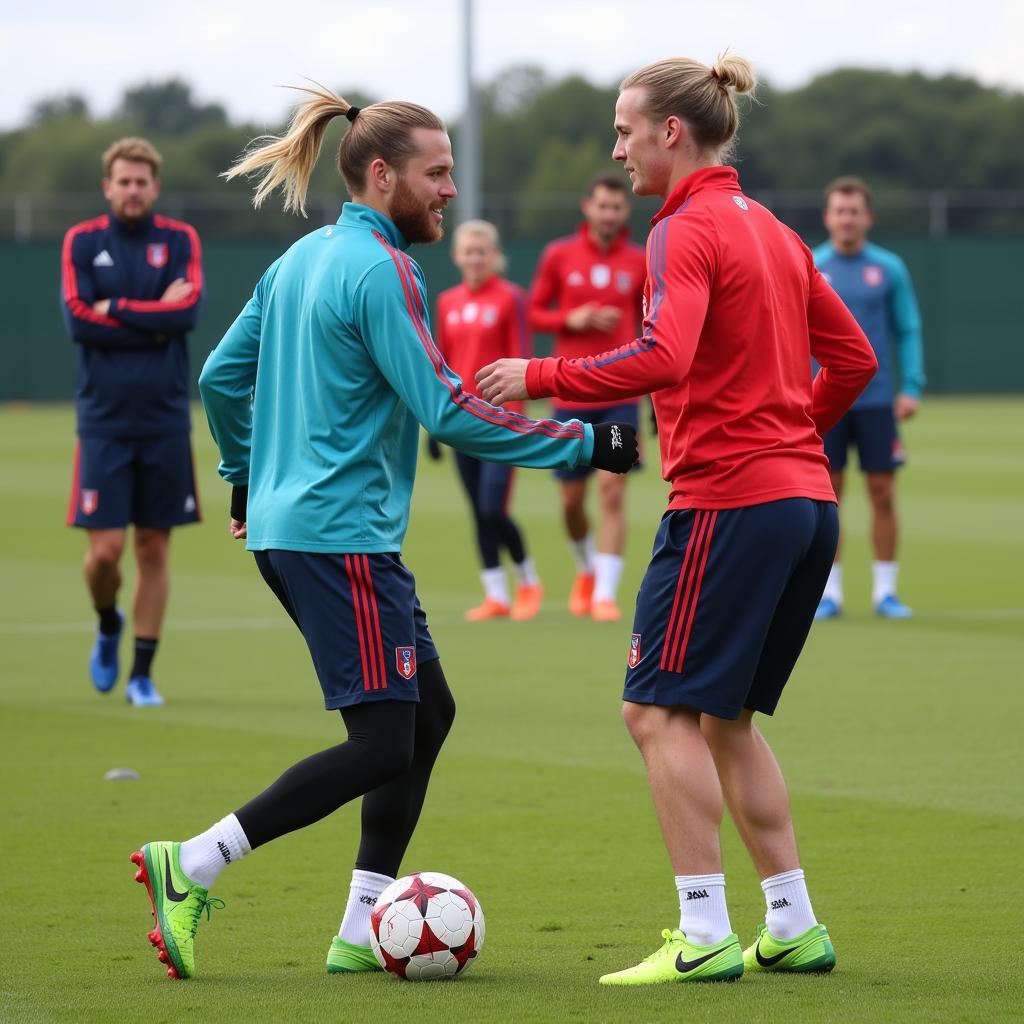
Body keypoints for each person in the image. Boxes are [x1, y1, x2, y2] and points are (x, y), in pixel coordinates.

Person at [129, 86, 637, 982]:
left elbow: (217, 378)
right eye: (436, 173)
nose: (449, 191)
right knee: (380, 742)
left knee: (427, 714)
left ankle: (363, 922)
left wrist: (245, 474)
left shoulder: (299, 261)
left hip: (308, 533)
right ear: (380, 174)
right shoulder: (383, 270)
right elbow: (444, 406)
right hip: (339, 539)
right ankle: (195, 863)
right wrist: (586, 439)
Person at [478, 54, 877, 985]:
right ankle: (793, 924)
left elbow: (665, 355)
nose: (615, 148)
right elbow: (852, 360)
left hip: (730, 503)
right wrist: (789, 442)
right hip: (804, 505)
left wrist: (539, 377)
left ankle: (702, 936)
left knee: (654, 712)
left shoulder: (681, 229)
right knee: (727, 718)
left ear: (671, 132)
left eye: (624, 129)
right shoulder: (774, 229)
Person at [60, 137, 204, 708]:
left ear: (155, 186)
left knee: (152, 550)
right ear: (108, 186)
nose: (133, 190)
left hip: (165, 419)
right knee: (104, 556)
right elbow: (77, 322)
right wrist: (153, 319)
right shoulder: (81, 241)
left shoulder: (179, 239)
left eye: (142, 181)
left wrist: (113, 309)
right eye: (124, 181)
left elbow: (188, 311)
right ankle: (106, 620)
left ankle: (142, 673)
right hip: (102, 421)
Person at [528, 173, 647, 621]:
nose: (610, 214)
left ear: (624, 212)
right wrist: (572, 319)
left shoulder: (639, 260)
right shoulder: (559, 255)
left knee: (613, 493)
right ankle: (586, 570)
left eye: (617, 207)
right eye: (603, 206)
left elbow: (652, 326)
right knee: (571, 502)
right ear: (588, 207)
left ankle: (604, 596)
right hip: (570, 392)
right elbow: (535, 313)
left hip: (619, 391)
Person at [813, 177, 925, 619]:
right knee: (827, 495)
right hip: (824, 399)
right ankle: (829, 592)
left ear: (867, 217)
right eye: (839, 210)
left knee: (882, 492)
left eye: (854, 211)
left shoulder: (889, 268)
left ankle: (885, 591)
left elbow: (907, 328)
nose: (846, 218)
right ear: (828, 217)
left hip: (877, 399)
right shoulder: (812, 264)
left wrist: (912, 386)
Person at [433, 220, 543, 621]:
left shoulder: (511, 297)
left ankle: (528, 581)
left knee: (493, 506)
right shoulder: (448, 301)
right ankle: (496, 594)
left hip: (499, 421)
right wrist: (436, 419)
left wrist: (514, 418)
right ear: (457, 256)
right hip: (462, 422)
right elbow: (442, 360)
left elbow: (521, 357)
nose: (476, 258)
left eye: (483, 251)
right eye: (469, 251)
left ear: (495, 256)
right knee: (477, 511)